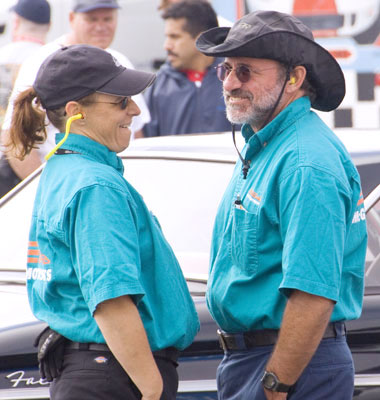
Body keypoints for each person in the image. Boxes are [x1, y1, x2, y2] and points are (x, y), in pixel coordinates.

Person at [6, 44, 199, 399]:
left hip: (97, 370)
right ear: (75, 111)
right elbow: (110, 299)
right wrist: (152, 388)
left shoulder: (63, 169)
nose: (135, 110)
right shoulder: (95, 185)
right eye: (120, 102)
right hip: (113, 376)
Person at [196, 10, 367, 400]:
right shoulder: (270, 147)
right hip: (263, 362)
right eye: (227, 70)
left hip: (289, 367)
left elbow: (312, 293)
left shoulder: (305, 162)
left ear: (295, 78)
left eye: (246, 71)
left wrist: (277, 383)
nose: (230, 83)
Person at [0, 0, 150, 198]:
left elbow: (137, 135)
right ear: (72, 18)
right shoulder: (44, 61)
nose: (101, 26)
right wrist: (47, 194)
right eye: (91, 18)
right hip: (73, 189)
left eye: (107, 19)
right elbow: (15, 139)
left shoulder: (119, 60)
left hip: (110, 187)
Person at [142, 0, 231, 138]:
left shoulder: (235, 79)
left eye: (174, 37)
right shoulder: (157, 88)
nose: (167, 46)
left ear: (201, 38)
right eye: (167, 37)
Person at [0, 0, 50, 125]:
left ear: (16, 22)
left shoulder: (2, 55)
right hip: (35, 136)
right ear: (49, 26)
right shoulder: (52, 60)